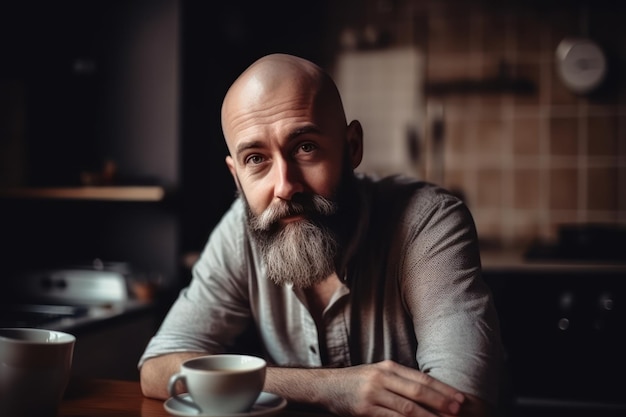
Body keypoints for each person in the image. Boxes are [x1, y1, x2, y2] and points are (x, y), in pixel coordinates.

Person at [139, 53, 503, 417]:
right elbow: (158, 369)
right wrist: (327, 387)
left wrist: (243, 381)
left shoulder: (429, 221)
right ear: (236, 176)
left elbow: (464, 405)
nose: (285, 187)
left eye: (305, 147)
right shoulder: (241, 230)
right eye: (255, 159)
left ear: (352, 147)